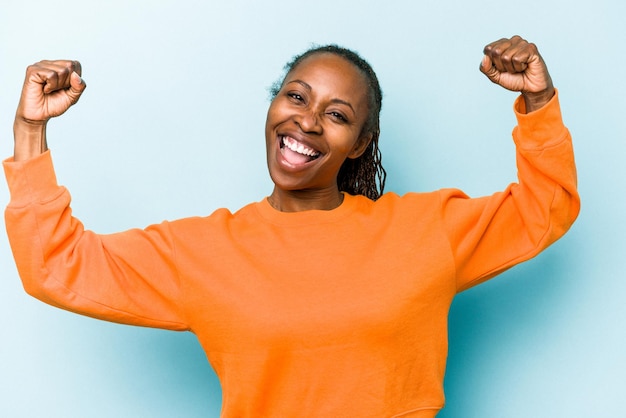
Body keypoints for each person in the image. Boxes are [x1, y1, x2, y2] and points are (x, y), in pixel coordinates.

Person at [4, 36, 579, 417]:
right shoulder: (202, 251)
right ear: (274, 107)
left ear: (360, 145)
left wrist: (538, 102)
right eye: (295, 96)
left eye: (336, 114)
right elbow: (57, 266)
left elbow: (545, 204)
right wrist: (31, 129)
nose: (305, 119)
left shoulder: (425, 229)